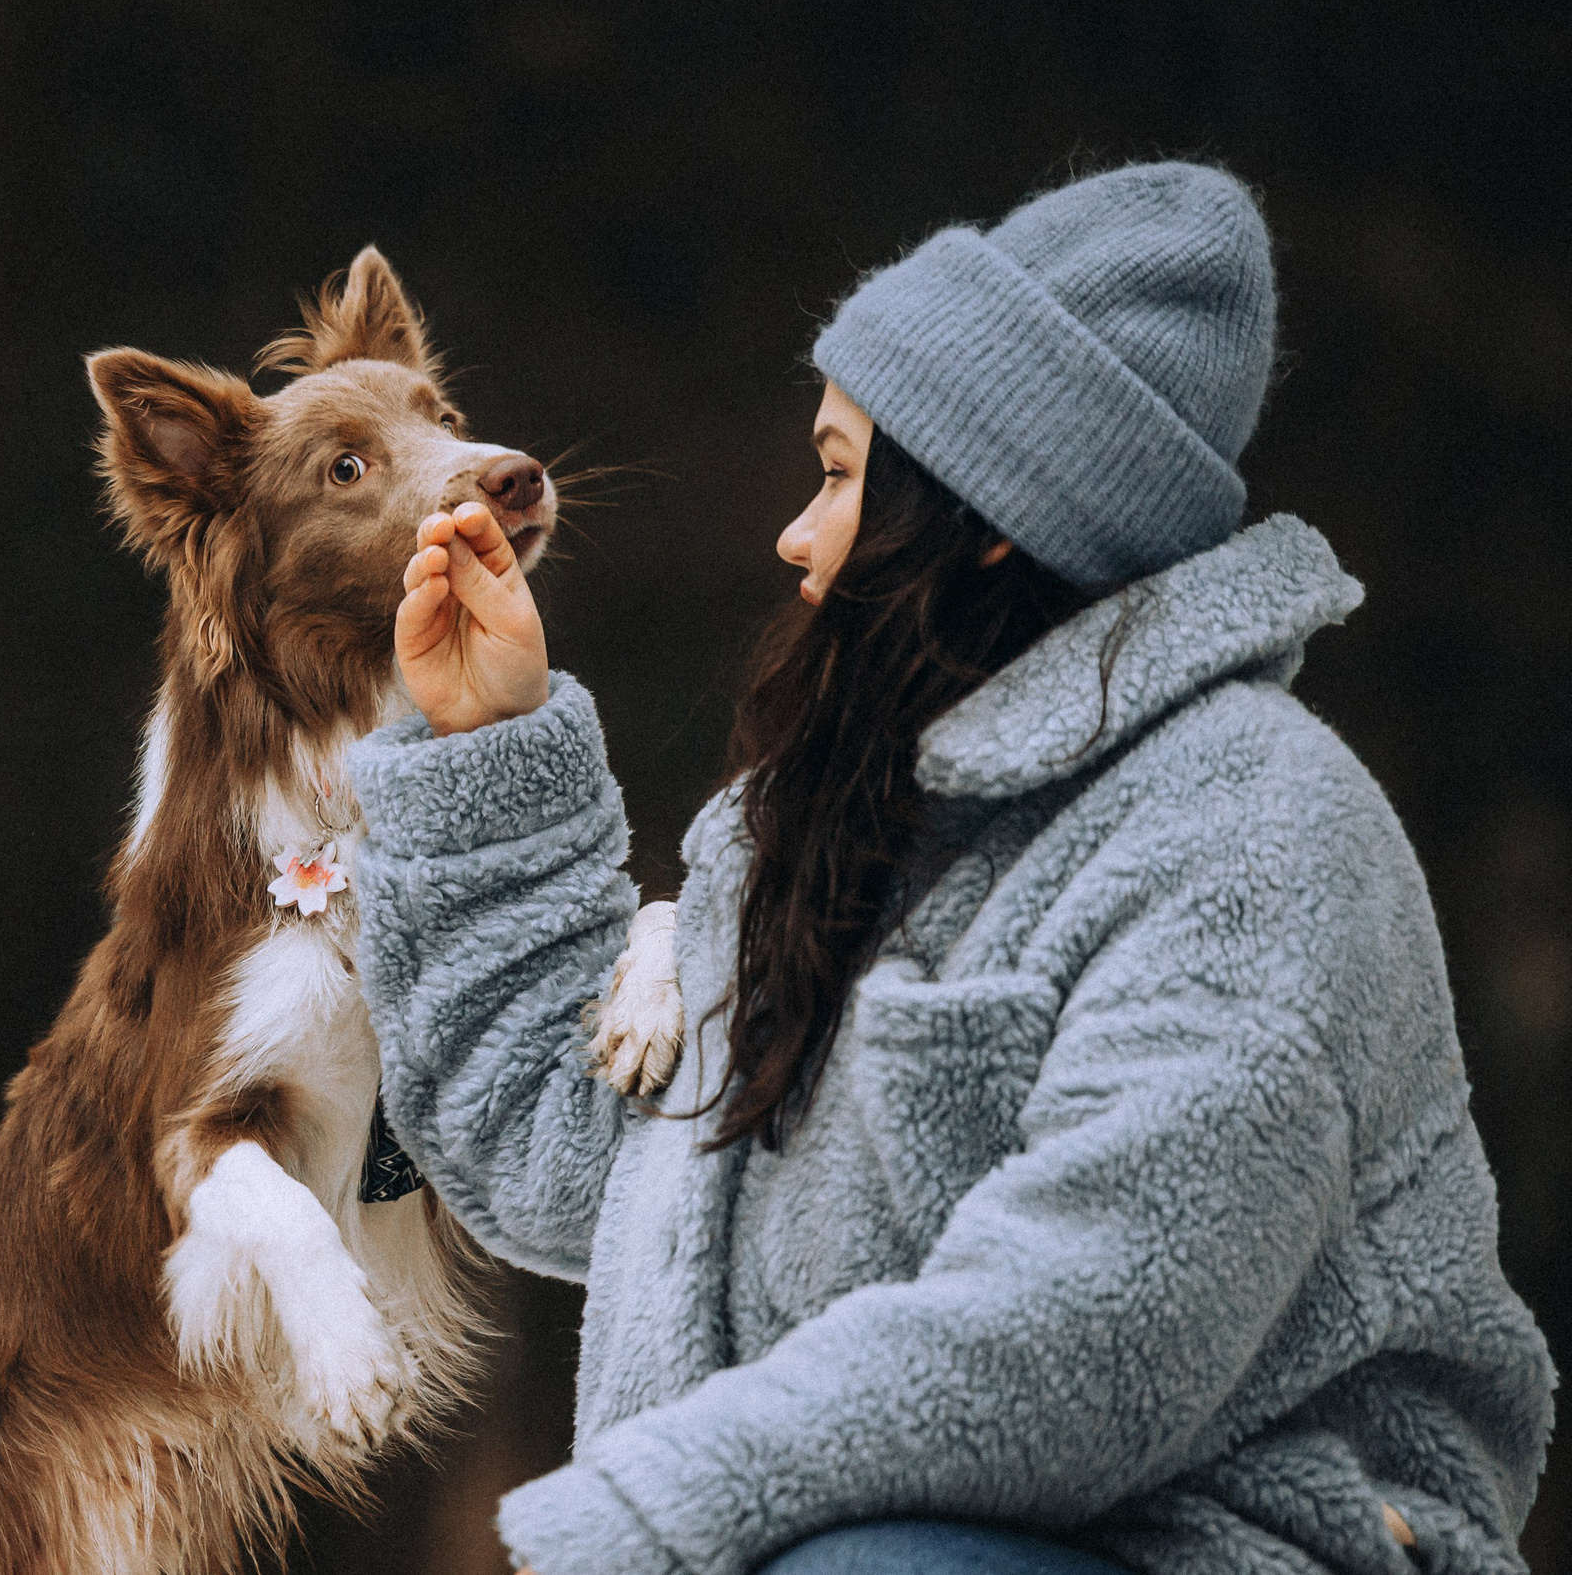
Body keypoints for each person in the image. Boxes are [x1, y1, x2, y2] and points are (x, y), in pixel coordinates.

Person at [349, 163, 1554, 1575]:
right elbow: (579, 1167)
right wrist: (488, 741)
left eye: (840, 475)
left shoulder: (1256, 832)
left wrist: (641, 1518)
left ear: (983, 513)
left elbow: (1098, 1327)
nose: (794, 535)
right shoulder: (814, 833)